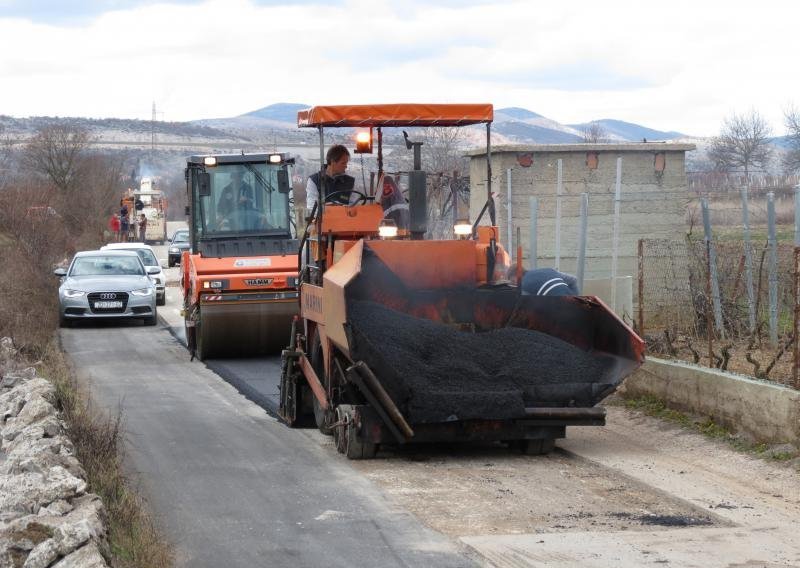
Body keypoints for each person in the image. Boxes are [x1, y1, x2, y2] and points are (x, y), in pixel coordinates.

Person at [305, 144, 357, 212]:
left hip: (345, 220)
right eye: (343, 163)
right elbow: (311, 207)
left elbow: (355, 205)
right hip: (323, 221)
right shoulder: (314, 180)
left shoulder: (350, 182)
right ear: (332, 162)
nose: (346, 166)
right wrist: (329, 210)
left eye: (346, 163)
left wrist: (344, 209)